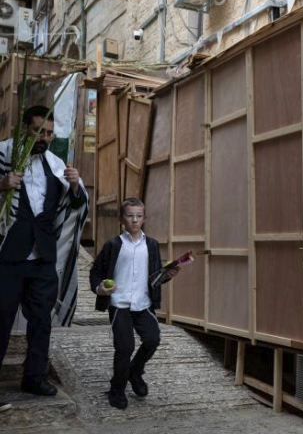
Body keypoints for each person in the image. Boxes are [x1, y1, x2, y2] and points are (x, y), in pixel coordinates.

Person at [0, 105, 88, 413]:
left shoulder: (55, 162)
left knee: (41, 322)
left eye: (49, 133)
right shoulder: (3, 154)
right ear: (25, 127)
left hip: (43, 257)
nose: (45, 138)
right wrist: (1, 185)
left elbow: (74, 204)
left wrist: (76, 186)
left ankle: (34, 378)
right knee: (1, 320)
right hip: (8, 255)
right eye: (39, 131)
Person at [90, 197, 178, 409]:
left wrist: (167, 275)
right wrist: (99, 288)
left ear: (144, 218)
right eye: (130, 216)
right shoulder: (113, 245)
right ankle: (117, 389)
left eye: (139, 216)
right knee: (124, 347)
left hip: (143, 304)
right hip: (119, 305)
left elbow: (154, 277)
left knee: (153, 339)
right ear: (122, 219)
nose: (135, 220)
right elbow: (96, 272)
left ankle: (135, 372)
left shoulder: (152, 245)